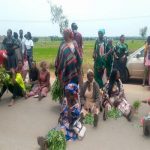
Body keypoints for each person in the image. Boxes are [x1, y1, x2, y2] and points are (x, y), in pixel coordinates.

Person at [37, 83, 81, 149]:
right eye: (66, 93)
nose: (66, 95)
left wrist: (69, 111)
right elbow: (62, 111)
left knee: (60, 135)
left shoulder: (76, 106)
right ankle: (45, 140)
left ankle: (47, 144)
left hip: (70, 126)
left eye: (68, 94)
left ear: (73, 95)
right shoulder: (65, 100)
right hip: (63, 122)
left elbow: (73, 121)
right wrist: (60, 117)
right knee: (54, 131)